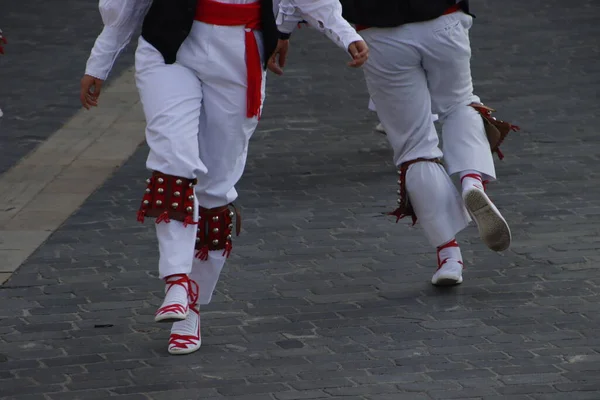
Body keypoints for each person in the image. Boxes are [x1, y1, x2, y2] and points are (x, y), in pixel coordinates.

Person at [79, 0, 366, 355]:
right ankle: (176, 280)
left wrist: (343, 31)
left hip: (239, 53)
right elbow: (129, 5)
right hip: (170, 49)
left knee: (215, 189)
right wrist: (100, 60)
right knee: (173, 157)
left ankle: (192, 305)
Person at [338, 0, 518, 286]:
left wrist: (283, 31)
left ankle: (449, 256)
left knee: (414, 147)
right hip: (441, 18)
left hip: (379, 32)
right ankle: (472, 179)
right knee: (459, 104)